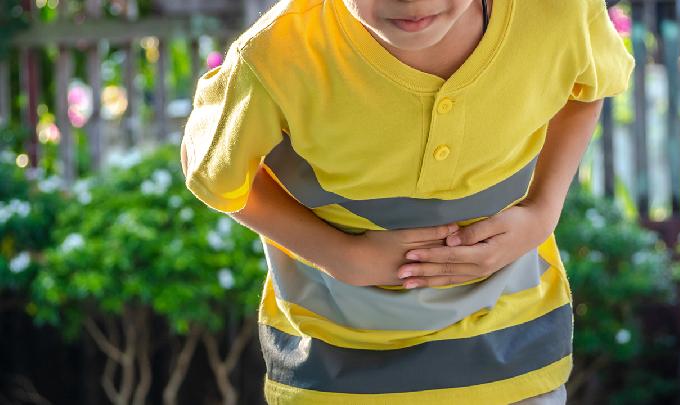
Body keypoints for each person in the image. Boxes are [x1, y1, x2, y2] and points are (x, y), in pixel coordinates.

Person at [180, 0, 635, 402]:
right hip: (337, 375)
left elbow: (589, 86)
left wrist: (542, 212)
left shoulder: (558, 12)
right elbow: (215, 178)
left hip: (512, 360)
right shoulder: (275, 56)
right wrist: (340, 255)